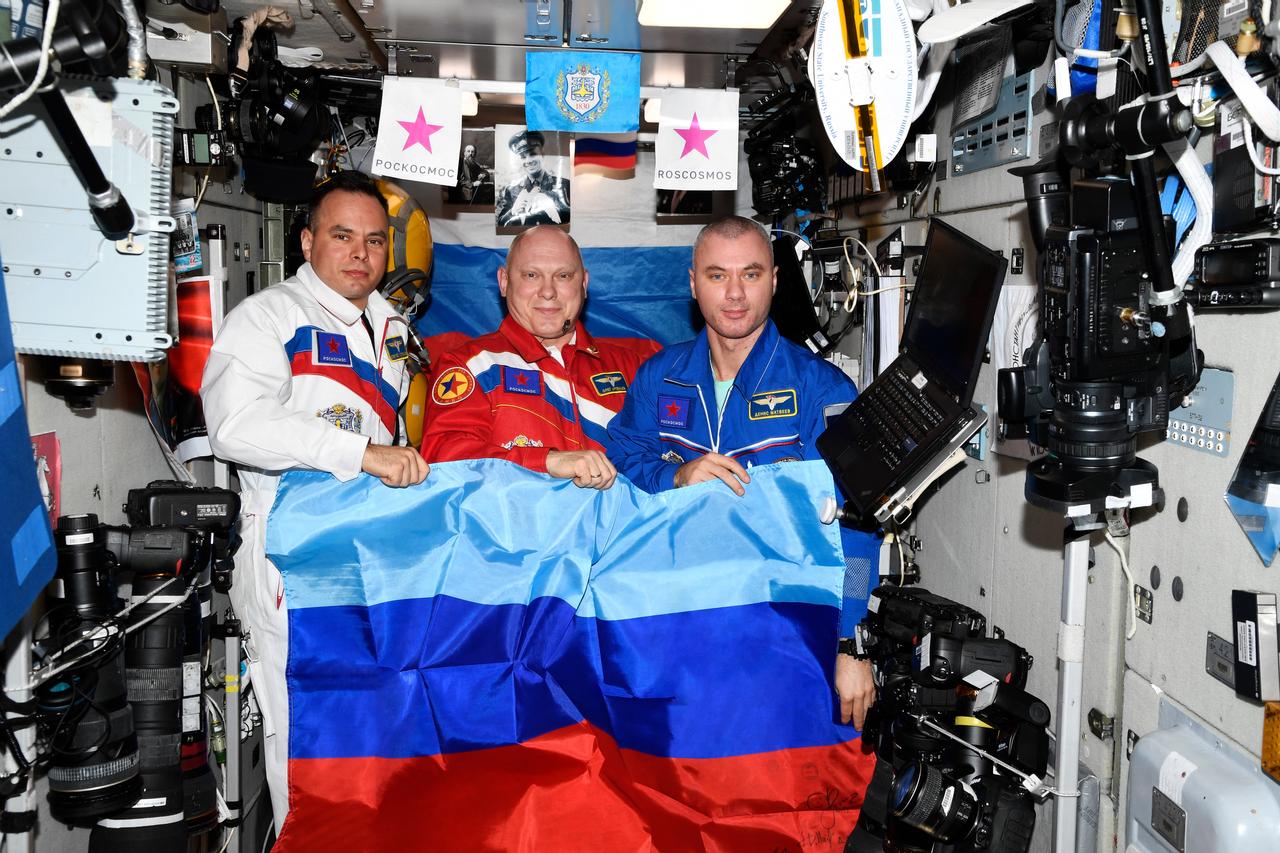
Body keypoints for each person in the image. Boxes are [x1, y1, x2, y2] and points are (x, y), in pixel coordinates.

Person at [201, 170, 429, 831]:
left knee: (366, 746)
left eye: (376, 240)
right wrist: (357, 454)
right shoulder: (268, 319)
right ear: (306, 242)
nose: (361, 253)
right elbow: (235, 426)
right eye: (342, 235)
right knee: (305, 749)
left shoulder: (390, 326)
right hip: (288, 563)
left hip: (367, 562)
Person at [606, 216, 879, 729]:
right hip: (673, 625)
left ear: (775, 280)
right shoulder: (658, 377)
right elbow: (621, 465)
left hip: (782, 636)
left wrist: (851, 642)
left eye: (750, 275)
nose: (734, 294)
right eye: (716, 275)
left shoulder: (824, 391)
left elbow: (859, 528)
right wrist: (676, 478)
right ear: (693, 284)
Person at [420, 225, 658, 489]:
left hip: (623, 529)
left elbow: (666, 457)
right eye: (531, 275)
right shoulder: (470, 366)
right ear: (504, 281)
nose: (548, 291)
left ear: (584, 283)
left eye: (563, 275)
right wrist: (547, 462)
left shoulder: (635, 368)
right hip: (511, 529)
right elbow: (446, 461)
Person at [496, 130, 571, 227]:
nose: (528, 161)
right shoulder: (511, 190)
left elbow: (572, 221)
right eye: (523, 157)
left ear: (542, 154)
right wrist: (512, 211)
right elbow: (501, 224)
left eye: (532, 154)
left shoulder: (564, 185)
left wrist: (552, 205)